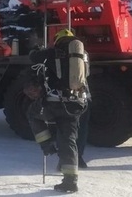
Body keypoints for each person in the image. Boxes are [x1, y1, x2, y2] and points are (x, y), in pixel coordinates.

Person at [24, 28, 89, 193]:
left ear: (59, 40)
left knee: (33, 113)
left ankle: (47, 146)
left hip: (56, 103)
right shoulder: (83, 55)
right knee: (68, 141)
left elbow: (33, 57)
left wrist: (37, 49)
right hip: (76, 104)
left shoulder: (54, 52)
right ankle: (70, 181)